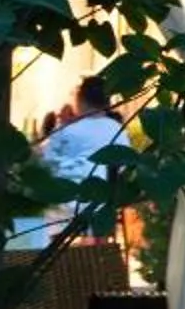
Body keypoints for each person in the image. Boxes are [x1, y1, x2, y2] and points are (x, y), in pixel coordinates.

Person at [11, 79, 126, 248]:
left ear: (80, 99)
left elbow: (45, 165)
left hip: (69, 203)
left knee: (24, 206)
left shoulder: (71, 130)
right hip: (101, 203)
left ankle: (23, 259)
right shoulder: (118, 130)